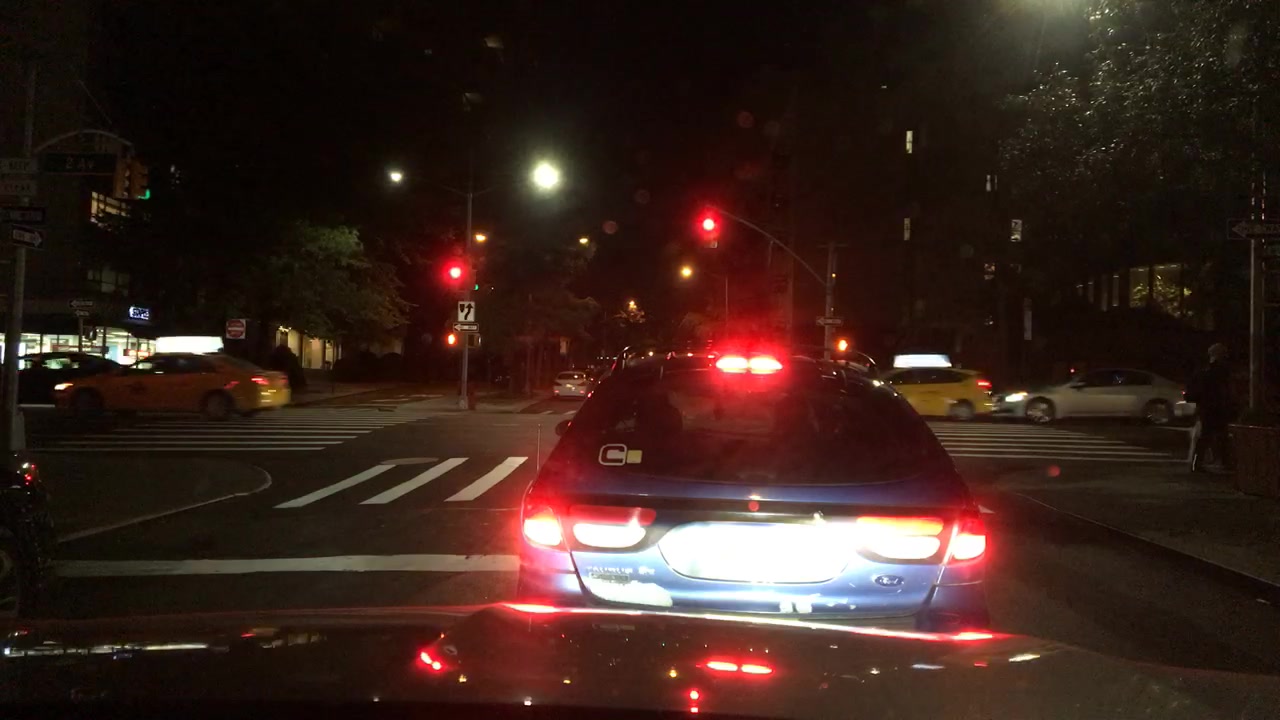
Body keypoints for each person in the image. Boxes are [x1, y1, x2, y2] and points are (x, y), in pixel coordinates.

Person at [1187, 343, 1234, 472]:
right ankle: (1225, 462)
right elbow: (1225, 390)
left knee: (1205, 436)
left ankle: (1196, 463)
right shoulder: (1222, 371)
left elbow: (1196, 390)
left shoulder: (1203, 371)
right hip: (1217, 407)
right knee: (1221, 436)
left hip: (1205, 407)